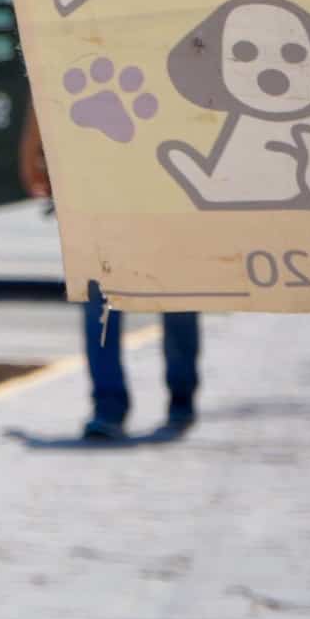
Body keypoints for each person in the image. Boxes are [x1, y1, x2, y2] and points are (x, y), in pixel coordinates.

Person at [21, 111, 198, 440]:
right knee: (102, 294)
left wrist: (31, 147)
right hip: (103, 176)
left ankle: (172, 396)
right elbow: (47, 71)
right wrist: (33, 144)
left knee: (173, 292)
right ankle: (113, 405)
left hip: (164, 170)